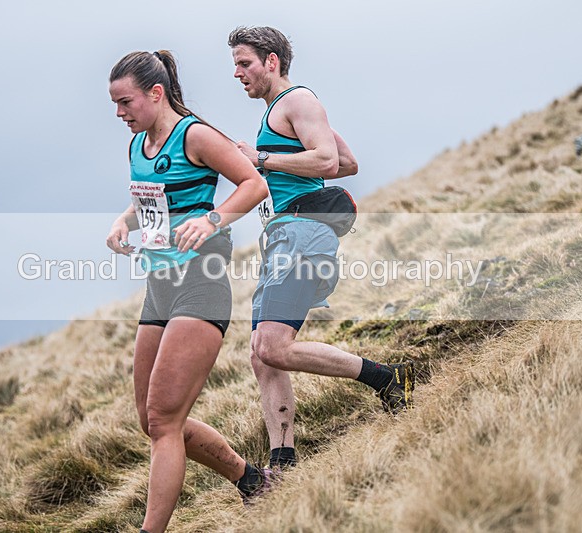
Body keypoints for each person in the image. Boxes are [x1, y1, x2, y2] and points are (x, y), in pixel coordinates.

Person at [228, 26, 415, 471]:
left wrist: (261, 159)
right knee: (260, 353)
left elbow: (328, 161)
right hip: (285, 236)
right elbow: (348, 162)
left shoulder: (298, 101)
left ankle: (387, 378)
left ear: (271, 61)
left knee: (273, 346)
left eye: (244, 63)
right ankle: (283, 459)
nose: (237, 73)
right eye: (235, 65)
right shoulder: (280, 111)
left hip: (303, 232)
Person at [105, 50, 271, 532]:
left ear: (156, 94)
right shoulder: (138, 145)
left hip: (200, 286)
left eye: (125, 102)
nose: (119, 113)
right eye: (115, 104)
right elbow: (152, 198)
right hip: (159, 287)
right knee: (152, 419)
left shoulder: (195, 135)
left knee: (164, 421)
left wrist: (213, 219)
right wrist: (123, 220)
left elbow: (253, 184)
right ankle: (252, 481)